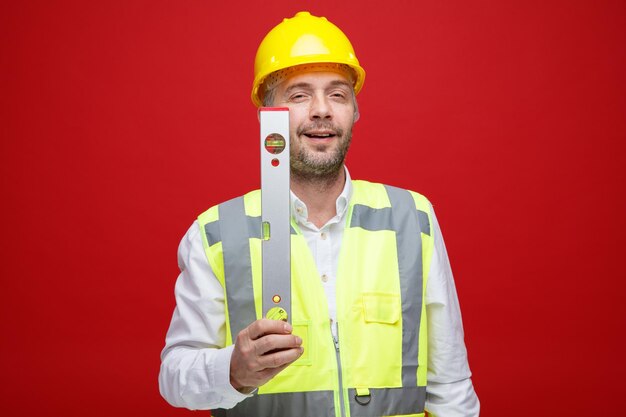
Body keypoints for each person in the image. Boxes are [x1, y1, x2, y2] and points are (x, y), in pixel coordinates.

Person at [159, 11, 480, 417]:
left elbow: (450, 385)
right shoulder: (217, 235)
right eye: (299, 95)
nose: (322, 110)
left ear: (355, 112)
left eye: (338, 94)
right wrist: (233, 371)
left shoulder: (412, 219)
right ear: (267, 118)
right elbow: (174, 376)